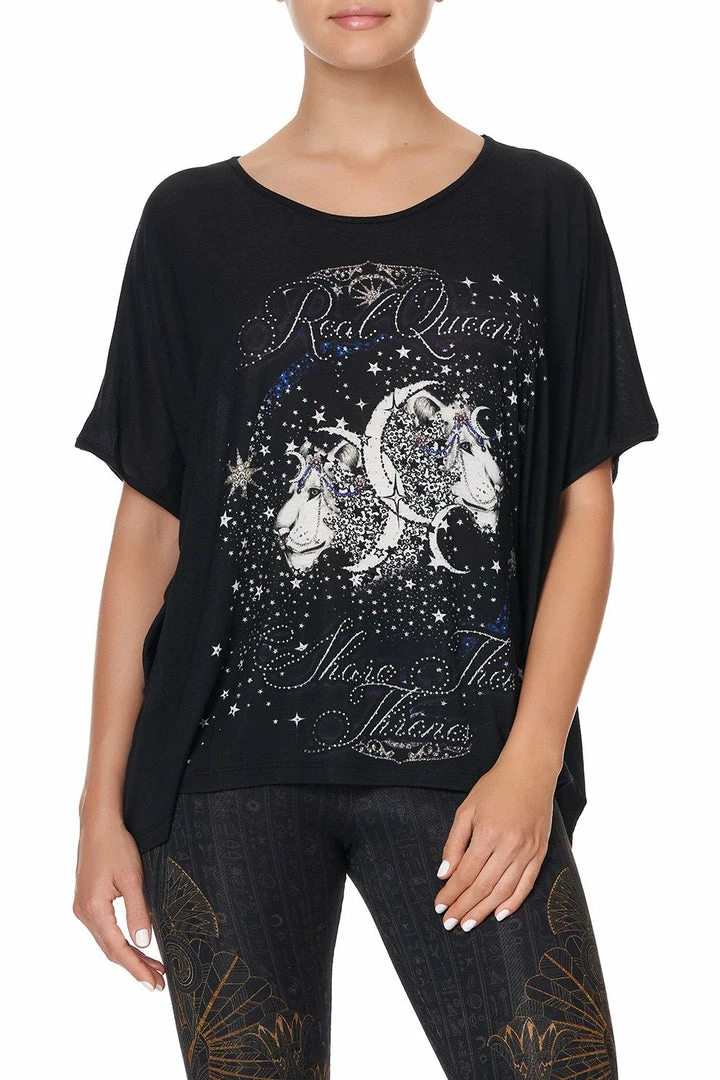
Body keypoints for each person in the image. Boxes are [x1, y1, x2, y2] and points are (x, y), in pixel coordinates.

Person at [72, 2, 660, 1077]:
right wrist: (98, 809)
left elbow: (589, 506)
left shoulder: (544, 208)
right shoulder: (188, 223)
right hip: (223, 775)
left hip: (471, 764)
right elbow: (149, 528)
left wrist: (531, 762)